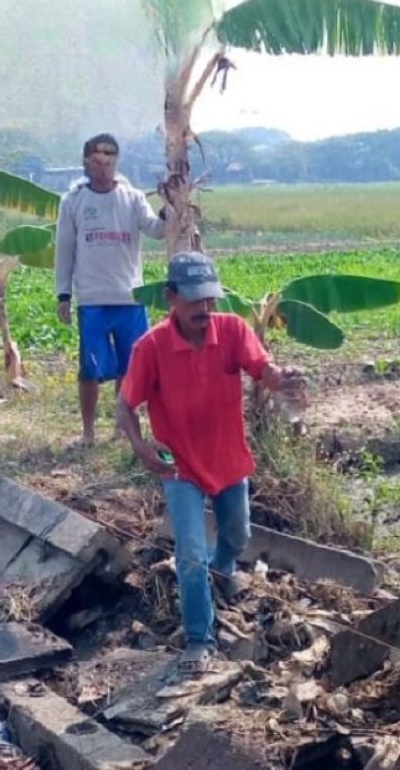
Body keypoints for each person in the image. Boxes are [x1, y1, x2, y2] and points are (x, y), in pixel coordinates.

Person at [116, 251, 306, 675]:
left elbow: (264, 370)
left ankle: (222, 571)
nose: (204, 309)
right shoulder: (151, 348)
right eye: (195, 300)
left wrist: (284, 379)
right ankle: (199, 637)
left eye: (210, 300)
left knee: (238, 536)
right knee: (189, 553)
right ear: (170, 298)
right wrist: (141, 447)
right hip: (178, 463)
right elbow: (124, 407)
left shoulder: (233, 330)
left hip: (226, 455)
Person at [55, 133, 166, 446]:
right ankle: (88, 432)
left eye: (110, 159)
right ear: (87, 161)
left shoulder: (132, 198)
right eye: (97, 159)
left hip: (130, 297)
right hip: (92, 299)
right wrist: (63, 294)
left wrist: (170, 210)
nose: (103, 165)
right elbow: (64, 250)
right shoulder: (74, 201)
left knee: (129, 369)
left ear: (116, 162)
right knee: (89, 370)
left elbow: (155, 230)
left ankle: (123, 429)